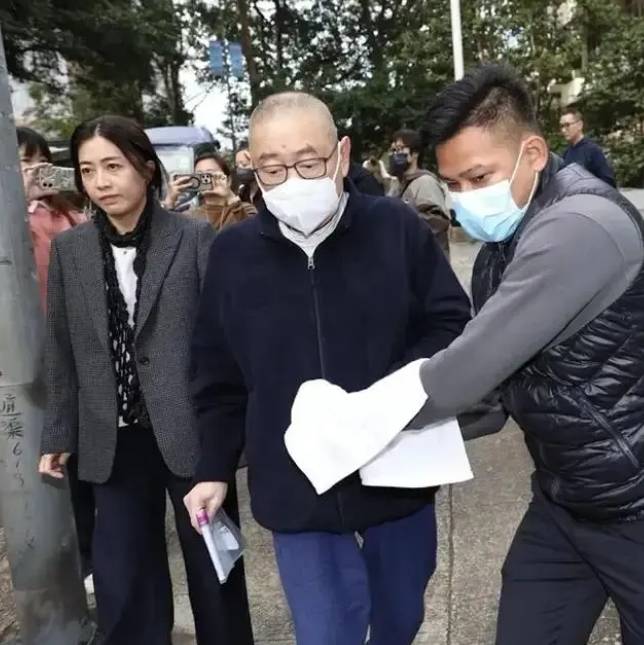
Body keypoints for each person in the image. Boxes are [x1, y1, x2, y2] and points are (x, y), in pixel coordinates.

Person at [342, 63, 644, 645]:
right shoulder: (500, 249)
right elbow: (495, 392)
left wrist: (353, 424)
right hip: (568, 503)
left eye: (479, 177)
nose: (464, 199)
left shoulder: (579, 225)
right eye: (452, 184)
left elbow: (461, 377)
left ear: (532, 152)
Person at [183, 91, 471, 645]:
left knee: (400, 618)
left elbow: (450, 325)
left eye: (308, 163)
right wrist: (212, 467)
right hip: (296, 483)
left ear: (341, 155)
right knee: (325, 630)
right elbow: (218, 376)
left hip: (394, 468)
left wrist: (386, 399)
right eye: (272, 168)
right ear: (252, 167)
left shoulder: (397, 228)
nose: (291, 180)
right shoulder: (233, 254)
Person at [37, 115, 254, 645]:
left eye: (113, 166)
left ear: (146, 168)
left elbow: (222, 342)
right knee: (124, 579)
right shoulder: (71, 249)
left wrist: (227, 438)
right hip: (111, 437)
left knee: (215, 572)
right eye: (88, 170)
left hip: (189, 431)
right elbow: (62, 346)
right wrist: (59, 432)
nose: (101, 182)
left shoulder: (193, 236)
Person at [17, 126, 95, 592]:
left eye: (39, 160)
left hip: (79, 350)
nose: (34, 170)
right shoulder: (3, 221)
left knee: (83, 455)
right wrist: (18, 205)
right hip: (29, 361)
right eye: (23, 162)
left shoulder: (68, 214)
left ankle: (92, 550)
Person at [387, 129, 453, 257]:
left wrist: (401, 222)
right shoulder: (397, 183)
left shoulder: (425, 182)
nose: (395, 154)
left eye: (399, 149)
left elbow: (437, 222)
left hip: (428, 260)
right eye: (393, 150)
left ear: (415, 153)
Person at [189, 150, 256, 229]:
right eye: (199, 175)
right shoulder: (190, 216)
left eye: (210, 173)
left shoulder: (245, 209)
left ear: (228, 180)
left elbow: (252, 231)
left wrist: (230, 197)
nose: (205, 179)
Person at [560, 108, 616, 187]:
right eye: (562, 126)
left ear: (580, 125)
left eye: (567, 125)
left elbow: (609, 182)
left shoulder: (592, 150)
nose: (563, 130)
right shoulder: (566, 153)